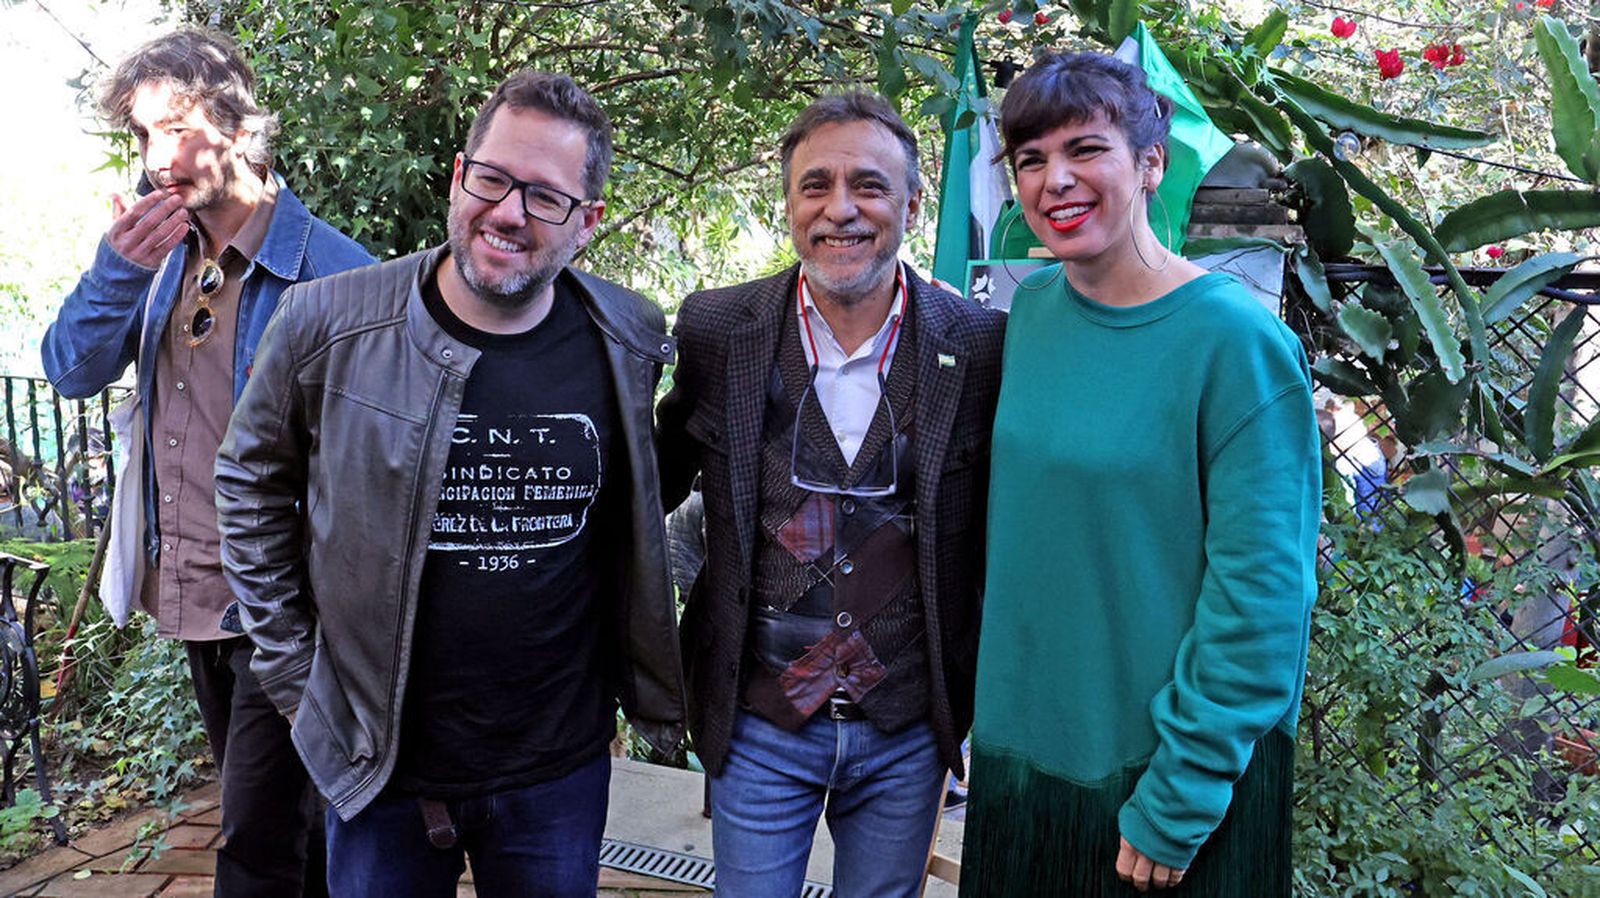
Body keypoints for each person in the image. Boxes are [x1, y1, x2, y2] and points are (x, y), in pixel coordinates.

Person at [212, 71, 685, 897]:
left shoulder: (628, 335)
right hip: (379, 762)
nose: (509, 212)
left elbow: (638, 506)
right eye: (493, 178)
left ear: (587, 222)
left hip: (556, 770)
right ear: (460, 175)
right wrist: (294, 679)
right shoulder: (328, 322)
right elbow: (247, 481)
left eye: (546, 196)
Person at [958, 53, 1320, 896]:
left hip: (1156, 786)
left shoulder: (1236, 343)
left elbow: (1263, 598)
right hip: (1023, 760)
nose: (1055, 180)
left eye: (1086, 149)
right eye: (1031, 159)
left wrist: (1181, 792)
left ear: (1152, 163)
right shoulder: (1029, 314)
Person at [39, 27, 372, 898]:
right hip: (193, 593)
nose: (157, 159)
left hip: (288, 607)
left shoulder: (338, 275)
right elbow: (70, 371)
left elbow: (378, 464)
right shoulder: (155, 264)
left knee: (256, 848)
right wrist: (115, 270)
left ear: (241, 128)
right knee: (285, 833)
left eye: (177, 129)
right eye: (143, 134)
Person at [657, 93, 1006, 897]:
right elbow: (651, 486)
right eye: (815, 185)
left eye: (869, 186)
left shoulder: (981, 346)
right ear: (789, 204)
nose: (839, 209)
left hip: (906, 730)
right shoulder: (718, 330)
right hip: (760, 722)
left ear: (912, 206)